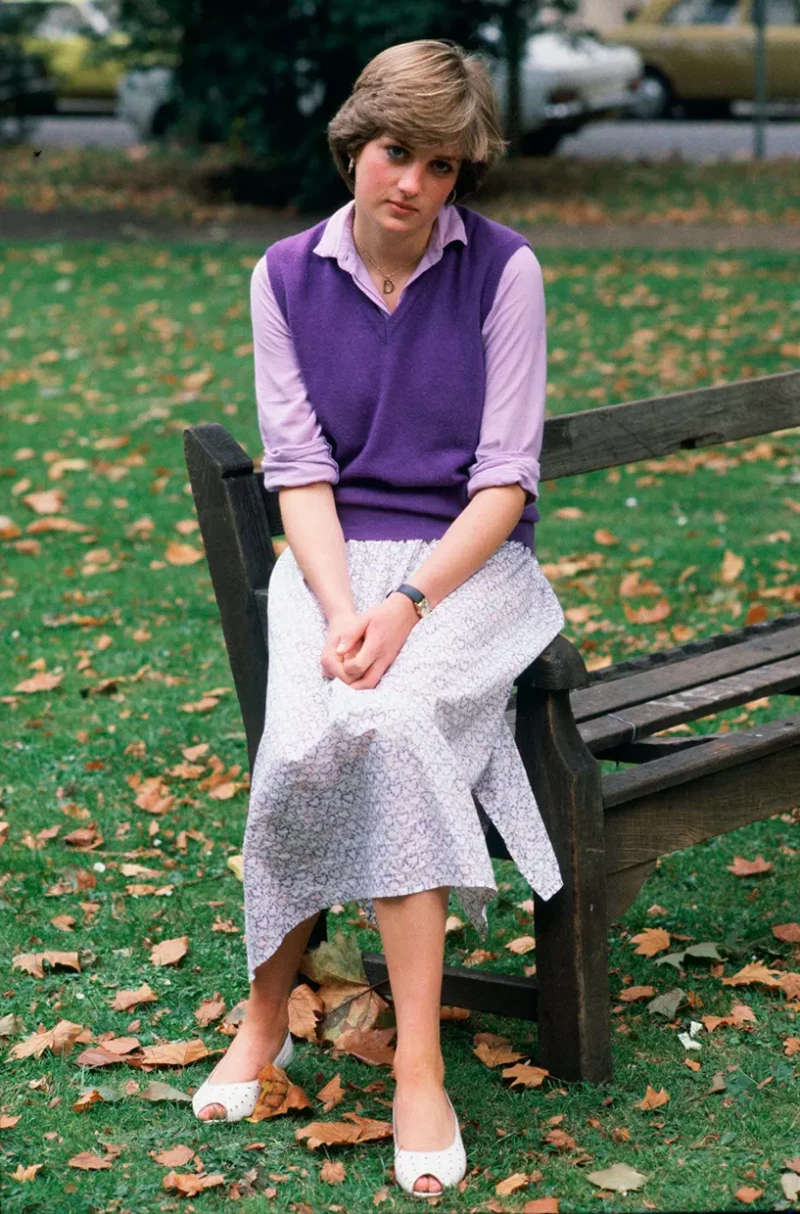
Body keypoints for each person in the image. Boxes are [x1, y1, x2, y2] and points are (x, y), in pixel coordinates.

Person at [191, 38, 567, 1197]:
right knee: (306, 730)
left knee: (394, 722)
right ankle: (265, 1016)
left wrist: (406, 605)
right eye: (396, 151)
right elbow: (295, 469)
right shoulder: (283, 274)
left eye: (442, 165)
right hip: (329, 565)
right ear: (356, 141)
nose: (411, 183)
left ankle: (416, 1061)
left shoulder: (505, 273)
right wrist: (344, 603)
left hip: (467, 571)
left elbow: (504, 480)